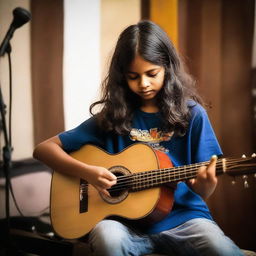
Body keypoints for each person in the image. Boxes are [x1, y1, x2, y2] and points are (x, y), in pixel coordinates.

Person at [33, 20, 243, 256]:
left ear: (168, 68)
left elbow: (201, 190)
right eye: (133, 76)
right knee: (108, 239)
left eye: (152, 74)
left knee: (221, 249)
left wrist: (206, 187)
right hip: (121, 222)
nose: (143, 84)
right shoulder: (113, 117)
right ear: (122, 77)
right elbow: (43, 149)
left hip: (184, 219)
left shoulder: (192, 115)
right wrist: (89, 173)